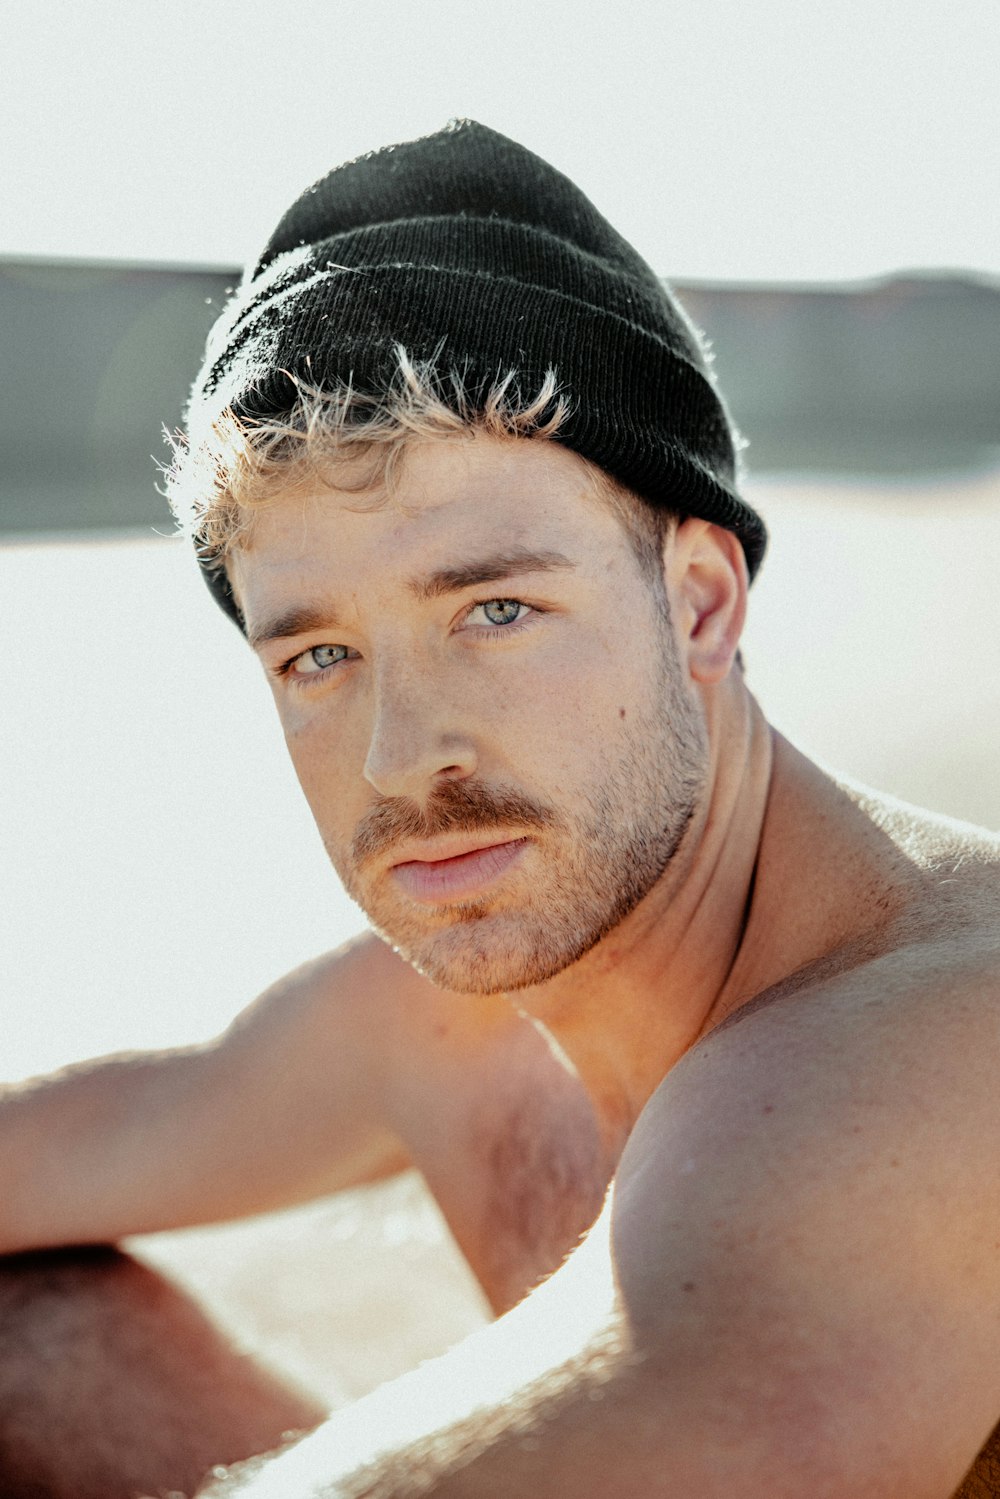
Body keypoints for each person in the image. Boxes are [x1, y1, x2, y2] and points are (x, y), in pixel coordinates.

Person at [2, 119, 999, 1499]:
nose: (404, 758)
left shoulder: (939, 1035)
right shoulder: (442, 1023)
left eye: (498, 609)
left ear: (701, 603)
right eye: (320, 656)